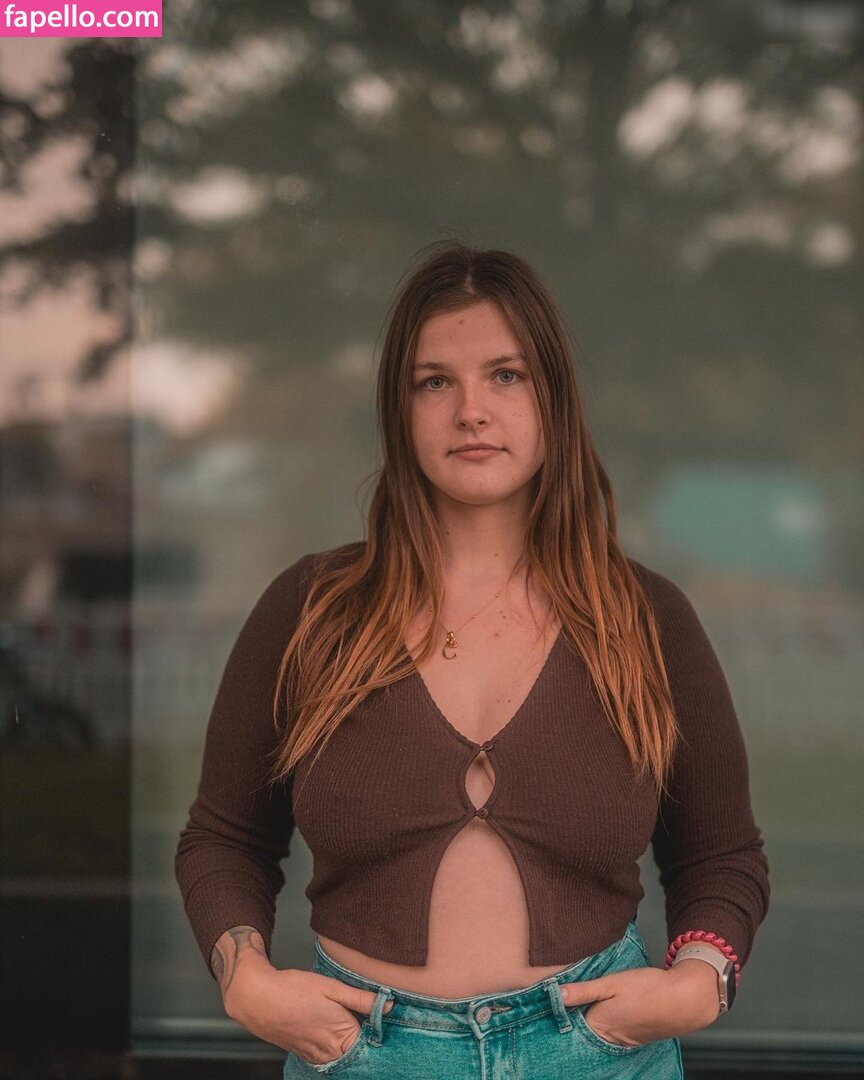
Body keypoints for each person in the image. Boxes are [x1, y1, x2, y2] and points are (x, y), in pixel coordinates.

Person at [175, 240, 770, 1078]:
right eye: (435, 381)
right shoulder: (313, 609)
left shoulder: (646, 618)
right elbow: (224, 837)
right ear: (400, 409)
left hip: (599, 1055)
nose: (471, 411)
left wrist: (701, 981)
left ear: (553, 397)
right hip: (361, 1055)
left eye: (506, 375)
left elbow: (720, 856)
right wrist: (244, 978)